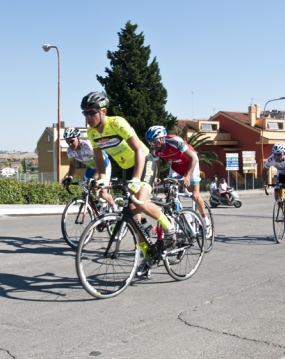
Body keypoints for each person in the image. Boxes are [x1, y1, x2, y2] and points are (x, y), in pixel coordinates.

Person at [80, 92, 177, 277]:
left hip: (143, 162)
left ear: (103, 111)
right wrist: (101, 178)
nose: (88, 117)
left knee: (139, 201)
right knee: (131, 216)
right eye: (84, 113)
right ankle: (147, 255)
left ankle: (169, 227)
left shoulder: (117, 123)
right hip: (126, 167)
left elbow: (139, 149)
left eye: (91, 112)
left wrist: (136, 179)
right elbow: (100, 160)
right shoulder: (92, 133)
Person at [145, 125, 212, 236]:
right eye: (150, 142)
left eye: (154, 142)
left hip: (191, 163)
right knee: (171, 194)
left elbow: (192, 159)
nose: (152, 145)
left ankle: (206, 220)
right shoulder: (154, 150)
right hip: (176, 166)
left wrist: (187, 176)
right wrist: (156, 177)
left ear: (162, 139)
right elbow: (157, 165)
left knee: (194, 195)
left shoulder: (174, 141)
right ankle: (185, 215)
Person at [60, 127, 115, 211]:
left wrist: (94, 178)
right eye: (67, 141)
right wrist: (69, 177)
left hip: (103, 165)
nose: (69, 144)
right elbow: (72, 166)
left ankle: (115, 208)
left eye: (71, 141)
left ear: (78, 138)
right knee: (85, 193)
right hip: (91, 167)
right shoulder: (69, 151)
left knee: (103, 194)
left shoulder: (88, 146)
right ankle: (96, 212)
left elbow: (99, 163)